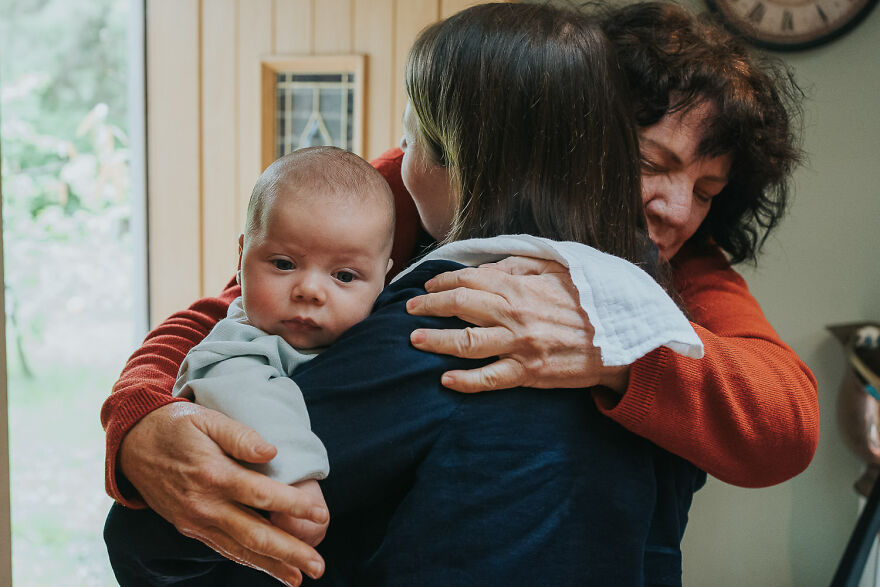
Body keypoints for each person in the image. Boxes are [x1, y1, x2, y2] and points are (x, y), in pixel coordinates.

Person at [100, 1, 819, 584]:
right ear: (566, 137)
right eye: (650, 164)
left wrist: (621, 351)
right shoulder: (400, 198)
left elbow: (787, 420)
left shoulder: (680, 267)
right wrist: (140, 424)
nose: (674, 207)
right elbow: (237, 310)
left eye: (707, 190)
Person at [169, 146, 396, 544]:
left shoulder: (370, 328)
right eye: (283, 264)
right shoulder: (240, 342)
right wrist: (294, 481)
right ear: (241, 257)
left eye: (344, 275)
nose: (309, 289)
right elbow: (245, 393)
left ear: (383, 280)